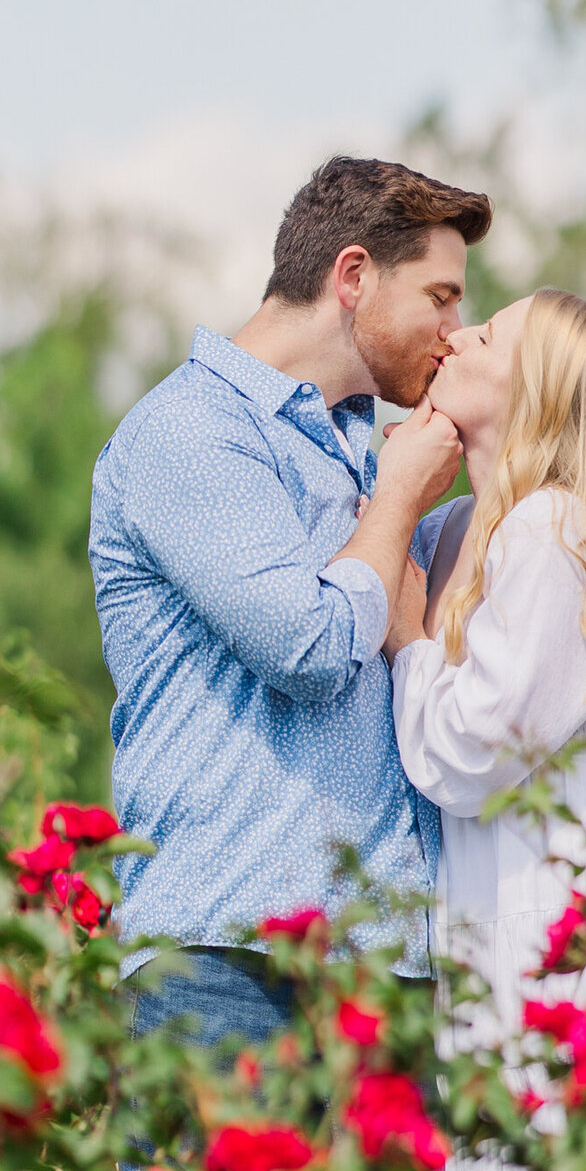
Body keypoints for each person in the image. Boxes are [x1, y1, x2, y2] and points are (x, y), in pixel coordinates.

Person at [88, 157, 484, 1047]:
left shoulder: (361, 449)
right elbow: (306, 649)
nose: (456, 330)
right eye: (441, 297)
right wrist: (394, 503)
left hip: (388, 971)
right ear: (353, 277)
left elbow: (438, 649)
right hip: (227, 968)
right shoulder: (191, 431)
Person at [385, 288, 586, 1051]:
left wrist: (405, 638)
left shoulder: (553, 530)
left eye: (488, 337)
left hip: (557, 902)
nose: (457, 339)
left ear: (535, 397)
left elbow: (481, 745)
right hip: (503, 893)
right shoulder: (464, 525)